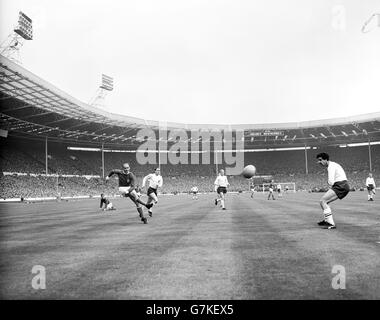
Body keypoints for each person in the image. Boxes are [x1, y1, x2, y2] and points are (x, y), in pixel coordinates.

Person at [316, 152, 350, 229]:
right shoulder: (333, 165)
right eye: (318, 160)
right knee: (325, 202)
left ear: (326, 159)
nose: (319, 162)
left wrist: (329, 186)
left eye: (320, 160)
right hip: (343, 185)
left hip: (340, 185)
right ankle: (327, 220)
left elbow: (331, 181)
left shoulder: (331, 166)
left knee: (322, 201)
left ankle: (331, 223)